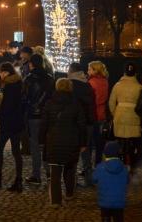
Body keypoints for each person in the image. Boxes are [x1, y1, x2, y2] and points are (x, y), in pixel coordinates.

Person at [44, 78, 86, 208]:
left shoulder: (49, 103)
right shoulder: (76, 104)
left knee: (55, 172)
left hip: (54, 141)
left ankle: (56, 201)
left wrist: (41, 141)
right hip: (71, 140)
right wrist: (83, 143)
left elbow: (44, 124)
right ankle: (69, 193)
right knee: (70, 168)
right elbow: (81, 125)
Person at [0, 62, 24, 192]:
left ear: (9, 72)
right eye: (0, 73)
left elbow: (6, 106)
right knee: (16, 152)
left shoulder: (8, 86)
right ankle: (18, 180)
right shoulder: (19, 83)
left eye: (3, 72)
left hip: (7, 123)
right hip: (17, 123)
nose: (1, 75)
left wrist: (0, 114)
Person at [23, 54, 54, 184]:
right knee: (46, 144)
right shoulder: (49, 78)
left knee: (35, 145)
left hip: (33, 115)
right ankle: (49, 172)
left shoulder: (29, 79)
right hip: (47, 115)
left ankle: (36, 175)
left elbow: (24, 97)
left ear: (32, 64)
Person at [109, 62, 142, 172]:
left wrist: (115, 114)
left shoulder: (117, 85)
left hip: (120, 116)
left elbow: (111, 102)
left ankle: (120, 165)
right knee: (132, 144)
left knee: (120, 143)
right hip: (134, 117)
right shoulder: (140, 87)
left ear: (124, 72)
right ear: (135, 74)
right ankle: (132, 167)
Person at [68, 62, 95, 186]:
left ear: (72, 71)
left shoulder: (71, 85)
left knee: (73, 151)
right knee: (86, 151)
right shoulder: (87, 84)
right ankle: (88, 178)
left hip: (74, 122)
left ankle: (72, 181)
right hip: (88, 122)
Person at [93, 141, 129, 222]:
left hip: (105, 203)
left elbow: (94, 179)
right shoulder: (124, 168)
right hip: (119, 203)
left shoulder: (100, 167)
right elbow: (127, 180)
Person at [88, 61, 110, 165]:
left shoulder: (92, 83)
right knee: (99, 143)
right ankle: (98, 163)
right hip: (102, 113)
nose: (88, 71)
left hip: (93, 113)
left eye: (89, 69)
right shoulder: (105, 81)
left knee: (89, 142)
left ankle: (88, 166)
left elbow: (91, 100)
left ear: (95, 70)